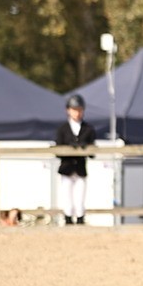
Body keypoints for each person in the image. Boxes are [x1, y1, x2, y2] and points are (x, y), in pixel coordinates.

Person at [55, 94, 97, 225]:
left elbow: (93, 152)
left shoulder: (88, 129)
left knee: (80, 197)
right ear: (68, 110)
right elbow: (57, 151)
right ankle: (67, 218)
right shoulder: (62, 129)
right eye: (74, 109)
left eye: (79, 110)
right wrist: (69, 149)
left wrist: (85, 147)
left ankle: (80, 218)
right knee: (67, 196)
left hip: (80, 167)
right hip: (67, 167)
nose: (77, 113)